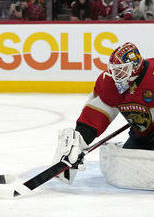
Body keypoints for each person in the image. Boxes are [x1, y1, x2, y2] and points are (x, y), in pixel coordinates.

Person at [53, 42, 154, 186]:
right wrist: (78, 143)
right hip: (141, 133)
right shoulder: (110, 84)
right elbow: (95, 117)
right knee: (130, 168)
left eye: (122, 70)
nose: (117, 75)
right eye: (115, 70)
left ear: (136, 66)